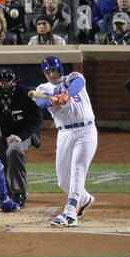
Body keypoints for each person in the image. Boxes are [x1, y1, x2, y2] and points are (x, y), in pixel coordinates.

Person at [33, 56, 97, 227]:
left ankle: (70, 215)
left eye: (53, 70)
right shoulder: (43, 88)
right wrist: (51, 99)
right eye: (47, 72)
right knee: (63, 181)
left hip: (86, 131)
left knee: (78, 170)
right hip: (65, 134)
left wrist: (65, 94)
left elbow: (78, 85)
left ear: (59, 69)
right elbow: (39, 101)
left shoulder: (73, 77)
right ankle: (84, 199)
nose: (51, 74)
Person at [0, 68, 43, 209]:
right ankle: (3, 190)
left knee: (13, 151)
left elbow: (37, 121)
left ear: (14, 81)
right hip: (1, 136)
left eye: (7, 81)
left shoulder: (28, 95)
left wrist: (20, 136)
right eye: (1, 81)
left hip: (24, 133)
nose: (4, 85)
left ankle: (19, 193)